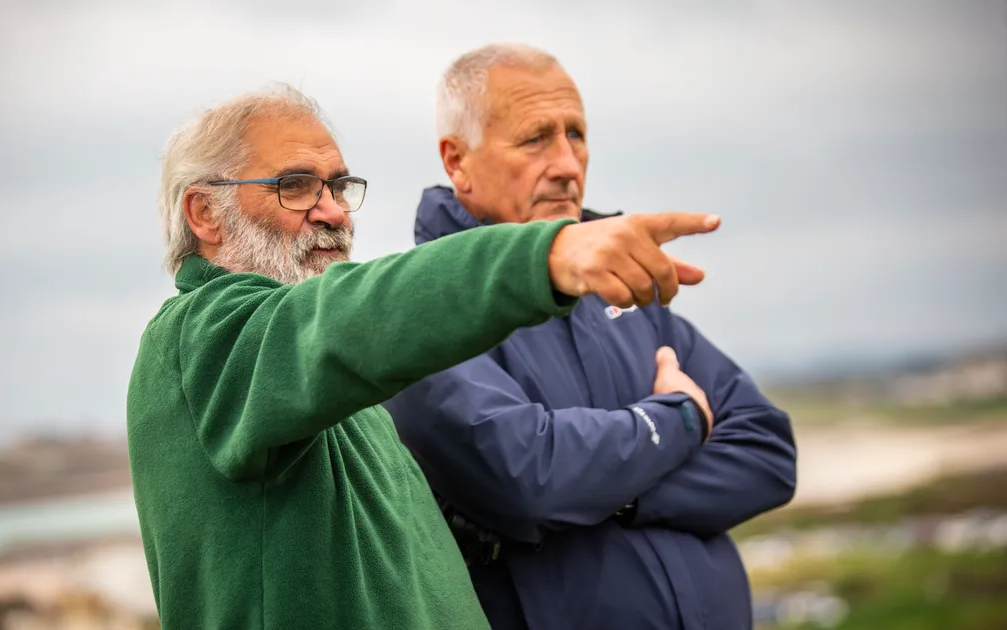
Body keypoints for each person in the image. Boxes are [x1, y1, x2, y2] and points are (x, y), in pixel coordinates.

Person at [126, 85, 722, 630]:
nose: (334, 211)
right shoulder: (202, 336)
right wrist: (545, 257)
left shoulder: (330, 392)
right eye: (296, 185)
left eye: (337, 186)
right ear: (204, 213)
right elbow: (344, 316)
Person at [383, 44, 798, 630]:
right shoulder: (426, 306)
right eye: (535, 139)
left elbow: (768, 453)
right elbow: (527, 479)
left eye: (576, 135)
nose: (567, 164)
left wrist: (620, 493)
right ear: (457, 161)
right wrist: (679, 418)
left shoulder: (621, 287)